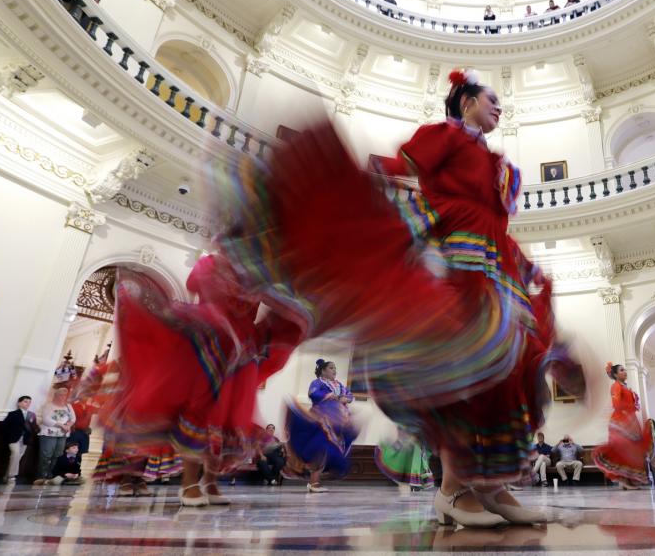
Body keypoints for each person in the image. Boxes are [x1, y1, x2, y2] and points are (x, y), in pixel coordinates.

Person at [204, 66, 583, 527]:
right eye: (491, 99)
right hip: (458, 266)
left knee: (510, 370)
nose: (499, 107)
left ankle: (493, 486)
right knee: (470, 371)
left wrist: (524, 265)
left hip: (496, 267)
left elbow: (495, 224)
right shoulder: (445, 137)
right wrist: (365, 184)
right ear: (466, 101)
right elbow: (405, 166)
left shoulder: (497, 164)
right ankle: (452, 489)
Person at [103, 255, 302, 506]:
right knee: (202, 412)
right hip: (210, 339)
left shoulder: (259, 273)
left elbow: (278, 302)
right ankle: (189, 484)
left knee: (228, 418)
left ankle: (210, 482)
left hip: (241, 348)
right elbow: (194, 282)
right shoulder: (212, 263)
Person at [284, 359, 358, 493]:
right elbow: (313, 393)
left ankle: (318, 480)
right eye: (331, 368)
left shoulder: (339, 385)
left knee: (330, 449)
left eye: (335, 368)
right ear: (323, 370)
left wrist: (345, 398)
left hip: (338, 421)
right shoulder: (317, 382)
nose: (334, 370)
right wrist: (333, 397)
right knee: (321, 449)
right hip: (323, 419)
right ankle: (314, 483)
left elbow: (350, 395)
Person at [593, 363, 650, 490]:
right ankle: (623, 480)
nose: (625, 372)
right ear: (615, 374)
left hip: (630, 420)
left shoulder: (626, 387)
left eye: (625, 369)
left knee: (633, 450)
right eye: (622, 370)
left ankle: (629, 479)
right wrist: (626, 416)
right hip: (621, 421)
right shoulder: (616, 386)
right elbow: (616, 403)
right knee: (623, 449)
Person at [35, 386, 75, 485]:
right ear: (56, 395)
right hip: (49, 433)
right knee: (46, 455)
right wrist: (61, 425)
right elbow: (46, 419)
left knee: (58, 455)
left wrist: (68, 425)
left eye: (65, 395)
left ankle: (52, 475)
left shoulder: (68, 406)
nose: (63, 397)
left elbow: (73, 418)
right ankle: (41, 476)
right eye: (61, 395)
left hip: (63, 434)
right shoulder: (48, 405)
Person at [0, 395, 37, 484]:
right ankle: (12, 476)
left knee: (17, 458)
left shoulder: (31, 415)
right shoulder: (13, 414)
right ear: (19, 403)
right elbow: (5, 426)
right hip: (14, 438)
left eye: (29, 402)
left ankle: (7, 476)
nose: (27, 403)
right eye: (25, 401)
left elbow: (33, 427)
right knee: (15, 454)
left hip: (25, 439)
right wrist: (8, 437)